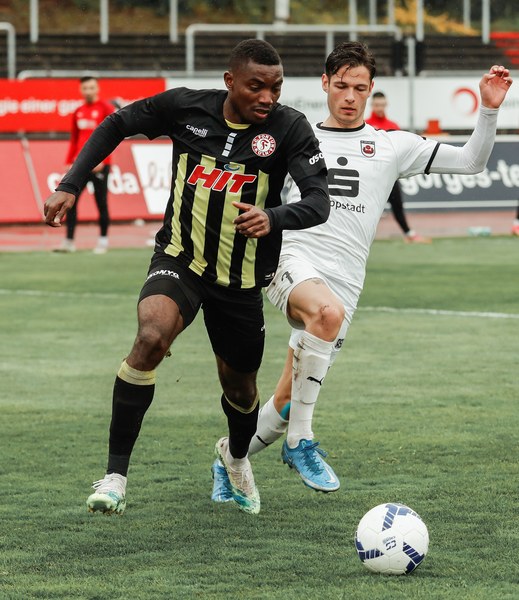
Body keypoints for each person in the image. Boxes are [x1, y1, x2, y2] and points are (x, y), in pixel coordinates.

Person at [211, 42, 512, 501]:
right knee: (324, 316)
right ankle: (301, 443)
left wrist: (488, 110)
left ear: (371, 89)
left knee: (288, 402)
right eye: (341, 86)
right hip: (290, 261)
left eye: (359, 87)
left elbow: (472, 162)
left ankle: (228, 458)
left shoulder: (393, 145)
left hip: (345, 284)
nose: (349, 96)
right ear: (325, 84)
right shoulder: (293, 133)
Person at [43, 39, 329, 516]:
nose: (267, 97)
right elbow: (116, 123)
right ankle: (115, 478)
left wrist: (274, 216)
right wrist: (71, 183)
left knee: (241, 391)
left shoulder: (289, 127)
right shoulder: (185, 107)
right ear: (230, 81)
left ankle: (235, 458)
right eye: (256, 86)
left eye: (275, 88)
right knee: (151, 336)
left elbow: (319, 201)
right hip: (180, 260)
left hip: (240, 281)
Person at [55, 76, 114, 254]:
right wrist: (69, 161)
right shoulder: (78, 111)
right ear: (81, 90)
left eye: (91, 87)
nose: (88, 91)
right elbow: (74, 138)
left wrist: (104, 160)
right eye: (85, 88)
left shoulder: (106, 108)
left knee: (101, 203)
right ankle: (69, 241)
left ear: (97, 88)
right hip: (81, 165)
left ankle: (103, 241)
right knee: (71, 201)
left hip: (99, 165)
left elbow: (113, 137)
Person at [366, 91, 431, 244]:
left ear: (386, 105)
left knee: (397, 205)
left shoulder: (393, 126)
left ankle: (409, 234)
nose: (379, 108)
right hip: (370, 177)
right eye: (377, 105)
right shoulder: (365, 125)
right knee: (366, 208)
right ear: (372, 105)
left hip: (389, 175)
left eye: (382, 105)